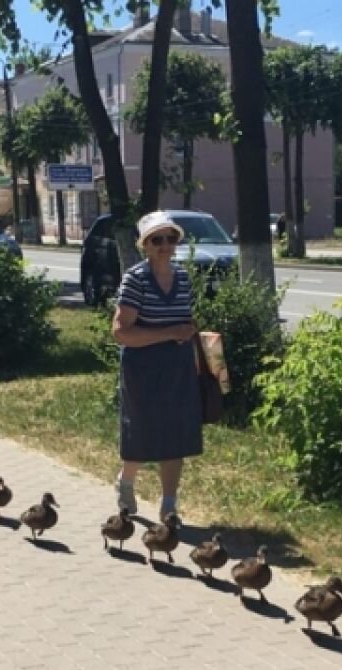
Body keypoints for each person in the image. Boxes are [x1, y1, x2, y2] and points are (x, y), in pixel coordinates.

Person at [111, 211, 203, 524]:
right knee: (142, 429)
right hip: (143, 365)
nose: (165, 245)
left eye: (170, 238)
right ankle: (126, 482)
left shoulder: (183, 278)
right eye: (157, 240)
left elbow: (182, 320)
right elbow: (121, 331)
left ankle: (169, 505)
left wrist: (189, 331)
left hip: (177, 364)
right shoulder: (135, 279)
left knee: (174, 434)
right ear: (145, 246)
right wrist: (167, 333)